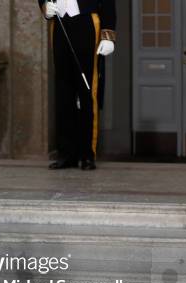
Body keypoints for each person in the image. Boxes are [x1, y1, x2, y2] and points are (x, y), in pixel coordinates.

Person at [39, 0, 117, 171]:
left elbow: (109, 3)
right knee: (63, 91)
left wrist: (108, 35)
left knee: (88, 89)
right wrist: (45, 6)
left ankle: (87, 154)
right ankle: (66, 153)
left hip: (87, 21)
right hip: (60, 22)